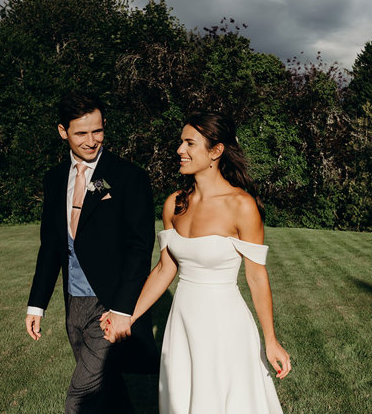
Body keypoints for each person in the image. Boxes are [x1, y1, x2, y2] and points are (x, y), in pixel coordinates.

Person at [102, 111, 291, 413]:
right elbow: (166, 268)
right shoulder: (174, 203)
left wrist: (271, 340)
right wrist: (127, 316)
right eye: (180, 142)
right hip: (181, 325)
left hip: (224, 326)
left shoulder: (241, 205)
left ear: (216, 151)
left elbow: (256, 277)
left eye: (190, 143)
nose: (180, 150)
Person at [24, 92, 157, 413]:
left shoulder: (129, 177)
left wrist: (124, 309)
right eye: (81, 133)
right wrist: (36, 304)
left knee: (80, 399)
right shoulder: (54, 179)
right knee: (108, 389)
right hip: (73, 304)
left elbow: (140, 248)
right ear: (62, 131)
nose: (91, 140)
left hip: (109, 305)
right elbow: (51, 246)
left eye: (97, 131)